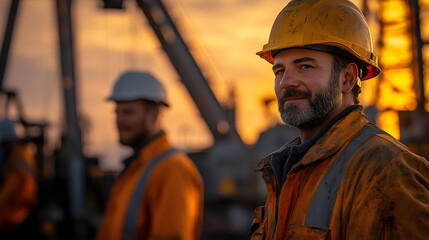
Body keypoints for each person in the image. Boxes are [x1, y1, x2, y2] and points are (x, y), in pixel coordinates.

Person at [249, 0, 429, 239]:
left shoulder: (387, 171)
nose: (286, 82)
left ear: (347, 78)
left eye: (305, 66)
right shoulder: (285, 170)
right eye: (280, 71)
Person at [96, 71, 204, 240]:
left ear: (154, 114)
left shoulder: (172, 170)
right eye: (117, 112)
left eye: (128, 112)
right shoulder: (137, 169)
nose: (119, 120)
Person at [0, 118, 37, 237]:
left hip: (13, 226)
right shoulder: (14, 165)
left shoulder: (18, 170)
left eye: (3, 145)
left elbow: (10, 201)